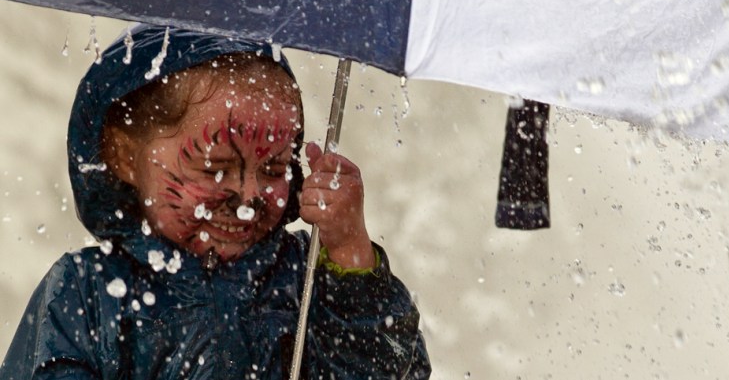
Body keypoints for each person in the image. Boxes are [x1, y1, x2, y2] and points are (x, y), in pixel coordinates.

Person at [0, 25, 431, 379]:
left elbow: (394, 370)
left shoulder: (308, 278)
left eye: (274, 170)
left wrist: (350, 251)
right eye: (215, 169)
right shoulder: (86, 290)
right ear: (125, 156)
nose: (247, 196)